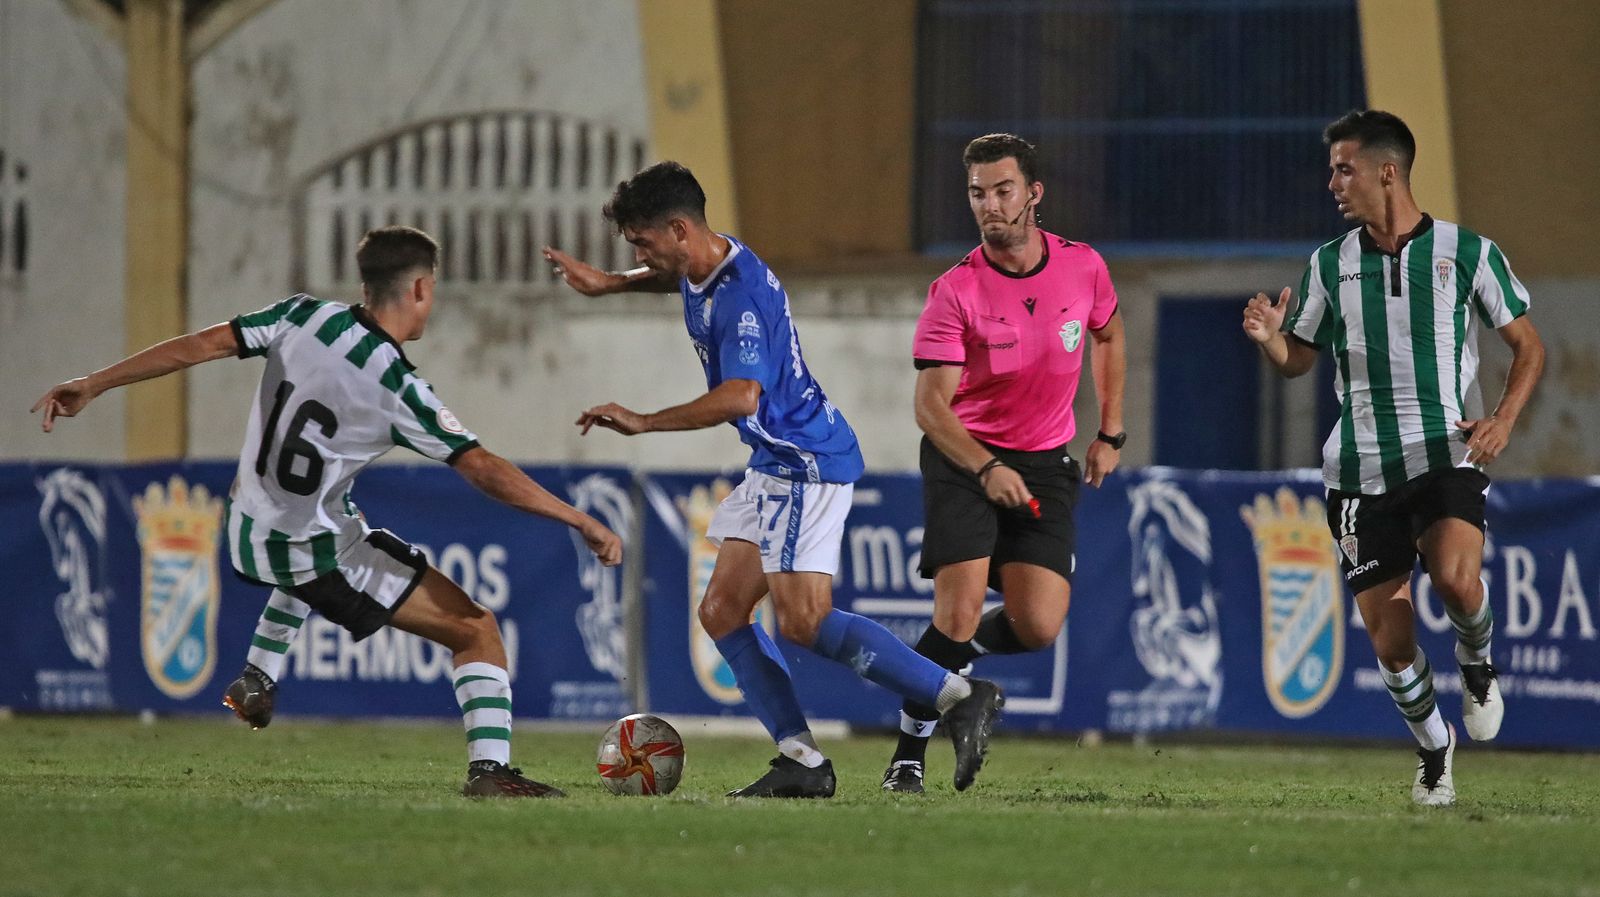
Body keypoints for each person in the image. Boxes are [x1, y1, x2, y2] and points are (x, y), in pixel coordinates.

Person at [32, 226, 622, 798]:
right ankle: (490, 769)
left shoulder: (300, 317)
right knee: (475, 630)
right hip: (306, 547)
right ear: (419, 289)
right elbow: (483, 468)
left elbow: (203, 344)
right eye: (433, 289)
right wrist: (579, 519)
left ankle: (259, 675)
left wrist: (97, 382)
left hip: (245, 527)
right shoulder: (397, 385)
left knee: (332, 523)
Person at [543, 161, 1005, 797]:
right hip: (775, 463)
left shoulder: (742, 296)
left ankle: (959, 694)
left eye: (643, 243)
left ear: (678, 230)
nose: (642, 255)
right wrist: (611, 283)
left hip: (804, 463)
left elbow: (740, 396)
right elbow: (673, 279)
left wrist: (644, 421)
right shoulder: (705, 262)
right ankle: (803, 762)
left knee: (803, 622)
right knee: (722, 609)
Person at [1243, 110, 1544, 807]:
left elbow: (1529, 347)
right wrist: (1268, 339)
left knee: (1457, 580)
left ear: (1388, 171)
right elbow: (1299, 360)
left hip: (1445, 450)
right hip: (1357, 470)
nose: (1332, 183)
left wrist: (1501, 420)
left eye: (1343, 169)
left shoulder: (1467, 252)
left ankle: (1477, 661)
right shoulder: (1329, 264)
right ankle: (1435, 745)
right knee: (1391, 638)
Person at [881, 133, 1127, 793]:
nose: (990, 205)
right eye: (977, 193)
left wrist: (1111, 430)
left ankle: (961, 675)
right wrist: (986, 467)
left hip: (1045, 462)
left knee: (1039, 623)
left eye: (1003, 190)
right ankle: (907, 756)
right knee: (955, 613)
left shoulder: (1084, 268)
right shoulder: (956, 290)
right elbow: (932, 408)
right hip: (965, 457)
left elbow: (1108, 333)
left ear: (1034, 194)